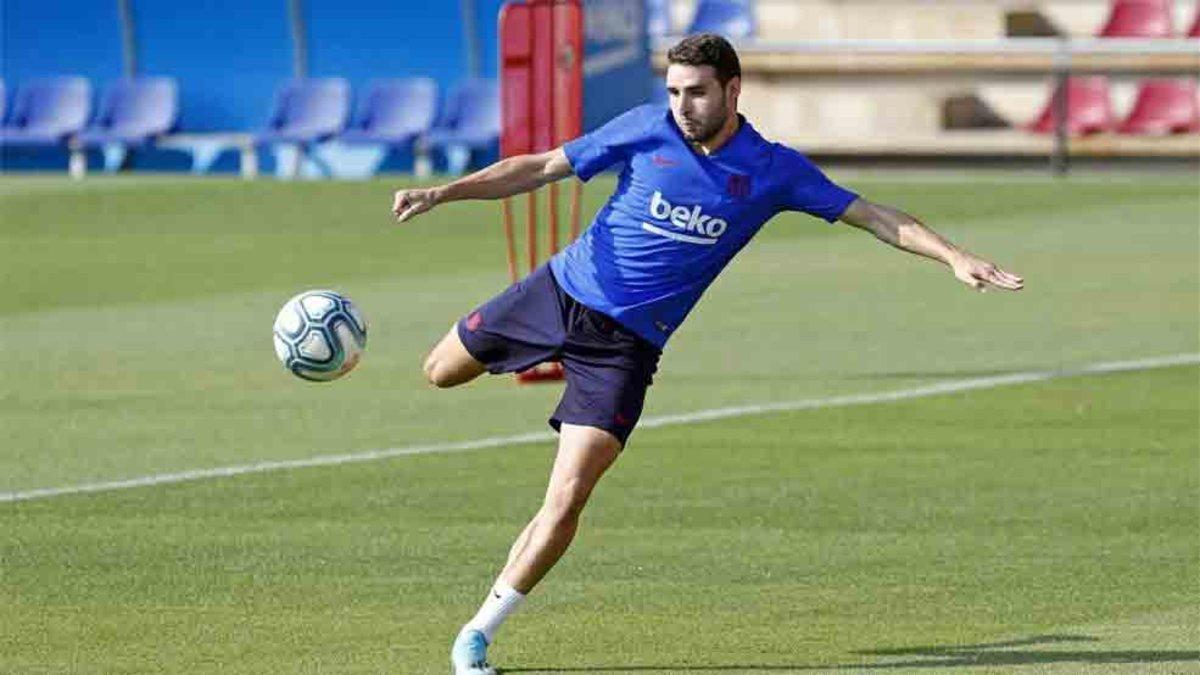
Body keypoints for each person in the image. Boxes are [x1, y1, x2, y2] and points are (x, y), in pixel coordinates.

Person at [391, 33, 1023, 675]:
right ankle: (530, 361)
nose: (682, 105)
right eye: (673, 91)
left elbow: (873, 215)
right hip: (557, 292)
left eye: (695, 92)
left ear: (732, 90)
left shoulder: (774, 170)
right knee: (439, 372)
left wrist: (954, 256)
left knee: (569, 495)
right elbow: (539, 167)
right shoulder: (645, 128)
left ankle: (476, 635)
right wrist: (442, 193)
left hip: (625, 349)